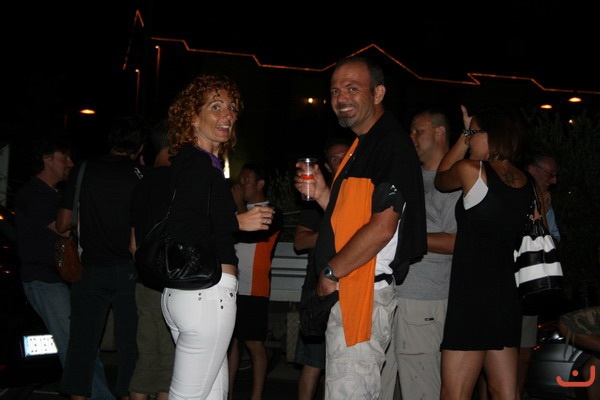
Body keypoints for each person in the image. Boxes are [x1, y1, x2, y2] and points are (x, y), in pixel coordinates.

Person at [128, 73, 274, 400]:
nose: (228, 114)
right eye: (216, 107)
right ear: (193, 117)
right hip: (205, 296)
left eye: (232, 107)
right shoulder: (196, 162)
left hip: (192, 295)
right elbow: (183, 227)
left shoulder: (199, 162)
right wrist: (238, 221)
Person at [294, 55, 427, 399]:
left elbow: (382, 227)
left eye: (352, 88)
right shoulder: (362, 144)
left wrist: (331, 272)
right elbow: (350, 219)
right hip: (351, 291)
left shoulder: (390, 144)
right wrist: (323, 193)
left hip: (361, 295)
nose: (341, 97)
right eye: (335, 91)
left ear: (378, 93)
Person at [434, 104, 532, 399]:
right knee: (505, 392)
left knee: (454, 393)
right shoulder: (526, 183)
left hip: (472, 296)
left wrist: (461, 137)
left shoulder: (471, 171)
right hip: (507, 296)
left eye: (474, 133)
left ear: (492, 135)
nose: (471, 139)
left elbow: (440, 179)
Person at [15, 137, 114, 400]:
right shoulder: (33, 194)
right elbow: (63, 228)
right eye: (64, 158)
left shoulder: (54, 194)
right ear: (47, 160)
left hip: (63, 279)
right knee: (76, 346)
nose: (70, 163)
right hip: (45, 280)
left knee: (83, 344)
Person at [57, 115, 148, 400]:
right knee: (130, 344)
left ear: (111, 140)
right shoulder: (141, 174)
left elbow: (63, 224)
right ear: (140, 146)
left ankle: (78, 396)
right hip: (130, 270)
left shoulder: (83, 169)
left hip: (90, 269)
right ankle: (127, 394)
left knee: (82, 342)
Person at [380, 109, 461, 400]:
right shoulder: (411, 177)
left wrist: (408, 239)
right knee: (381, 383)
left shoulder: (451, 183)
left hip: (424, 299)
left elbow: (458, 242)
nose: (411, 137)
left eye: (418, 131)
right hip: (394, 293)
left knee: (421, 387)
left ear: (439, 134)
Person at [293, 136, 351, 400]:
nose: (341, 161)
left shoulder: (358, 193)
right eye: (335, 158)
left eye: (345, 156)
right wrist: (334, 229)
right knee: (312, 360)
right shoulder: (314, 197)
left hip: (350, 287)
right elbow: (299, 242)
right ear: (327, 166)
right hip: (316, 287)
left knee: (343, 361)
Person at [227, 162, 283, 400]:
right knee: (231, 343)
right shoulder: (232, 211)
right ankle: (227, 394)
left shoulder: (271, 212)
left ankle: (256, 396)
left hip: (254, 287)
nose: (241, 184)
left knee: (254, 343)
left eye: (246, 180)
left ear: (260, 184)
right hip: (231, 285)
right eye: (240, 180)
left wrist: (240, 205)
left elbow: (254, 234)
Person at [128, 119, 175, 400]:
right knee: (169, 358)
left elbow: (133, 245)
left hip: (144, 280)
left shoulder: (142, 183)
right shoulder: (178, 182)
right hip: (171, 281)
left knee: (146, 353)